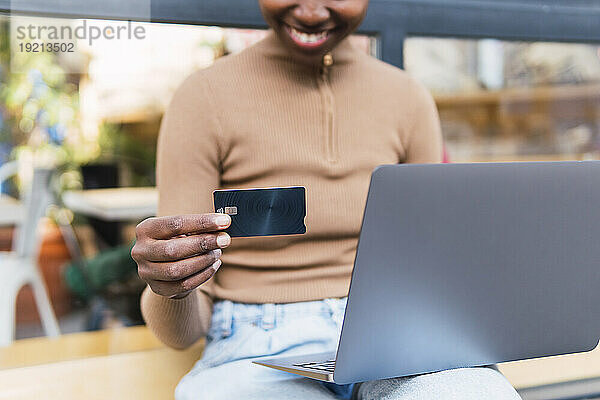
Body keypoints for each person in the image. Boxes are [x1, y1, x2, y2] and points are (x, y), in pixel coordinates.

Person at [131, 0, 522, 398]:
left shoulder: (408, 99)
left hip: (393, 331)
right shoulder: (203, 98)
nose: (313, 12)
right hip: (252, 346)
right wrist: (172, 286)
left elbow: (429, 269)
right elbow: (182, 333)